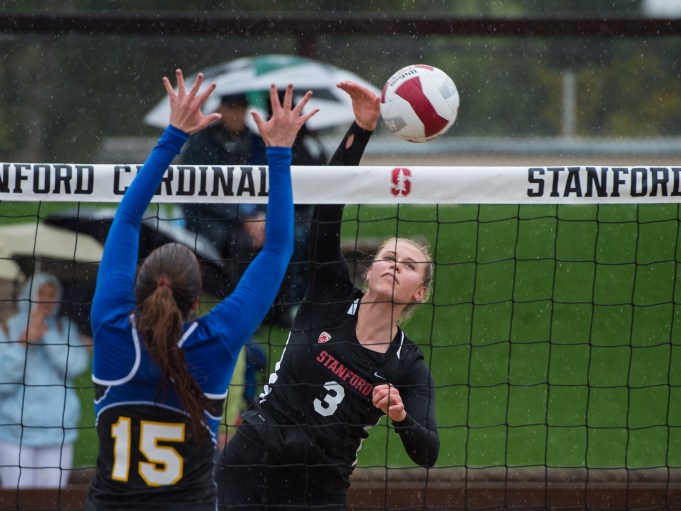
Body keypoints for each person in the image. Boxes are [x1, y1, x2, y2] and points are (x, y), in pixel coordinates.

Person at [84, 70, 317, 510]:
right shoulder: (215, 342)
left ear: (138, 289)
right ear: (196, 301)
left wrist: (173, 135)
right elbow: (277, 249)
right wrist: (281, 152)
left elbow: (126, 221)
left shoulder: (112, 327)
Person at [215, 81, 440, 510]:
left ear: (420, 293)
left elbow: (428, 451)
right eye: (388, 257)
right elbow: (326, 212)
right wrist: (361, 129)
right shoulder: (330, 294)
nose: (393, 265)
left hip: (317, 489)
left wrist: (401, 417)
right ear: (370, 268)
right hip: (253, 459)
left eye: (408, 266)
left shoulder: (406, 366)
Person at [0, 272, 88, 489]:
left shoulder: (64, 327)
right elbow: (3, 383)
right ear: (28, 293)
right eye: (40, 293)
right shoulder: (7, 328)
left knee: (52, 498)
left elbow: (76, 366)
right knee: (18, 498)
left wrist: (48, 335)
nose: (46, 300)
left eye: (52, 294)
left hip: (57, 431)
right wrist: (21, 345)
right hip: (14, 432)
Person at [179, 92, 269, 294]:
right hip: (211, 219)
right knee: (241, 242)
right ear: (221, 110)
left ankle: (274, 308)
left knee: (283, 237)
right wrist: (243, 218)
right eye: (232, 108)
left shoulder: (258, 143)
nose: (237, 114)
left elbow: (271, 183)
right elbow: (200, 193)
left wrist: (261, 216)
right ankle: (237, 299)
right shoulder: (201, 142)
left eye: (241, 108)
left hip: (253, 218)